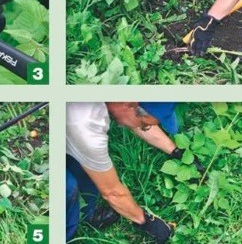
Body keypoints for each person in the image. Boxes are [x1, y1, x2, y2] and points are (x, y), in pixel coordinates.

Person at [66, 102, 174, 243]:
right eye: (145, 124)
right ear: (130, 106)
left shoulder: (118, 93)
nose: (146, 127)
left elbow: (140, 122)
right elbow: (112, 192)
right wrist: (147, 221)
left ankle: (86, 212)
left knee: (86, 165)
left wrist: (176, 151)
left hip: (68, 128)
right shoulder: (87, 126)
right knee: (67, 188)